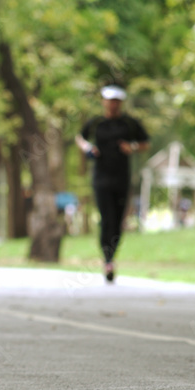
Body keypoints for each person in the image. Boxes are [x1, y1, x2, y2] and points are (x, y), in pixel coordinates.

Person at [75, 85, 150, 283]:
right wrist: (88, 148)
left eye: (117, 101)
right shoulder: (96, 123)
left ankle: (111, 256)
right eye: (110, 100)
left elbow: (145, 142)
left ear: (121, 103)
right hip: (101, 178)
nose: (113, 104)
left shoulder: (129, 124)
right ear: (104, 102)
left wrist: (132, 147)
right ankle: (107, 260)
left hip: (122, 178)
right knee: (106, 218)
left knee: (117, 221)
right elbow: (80, 138)